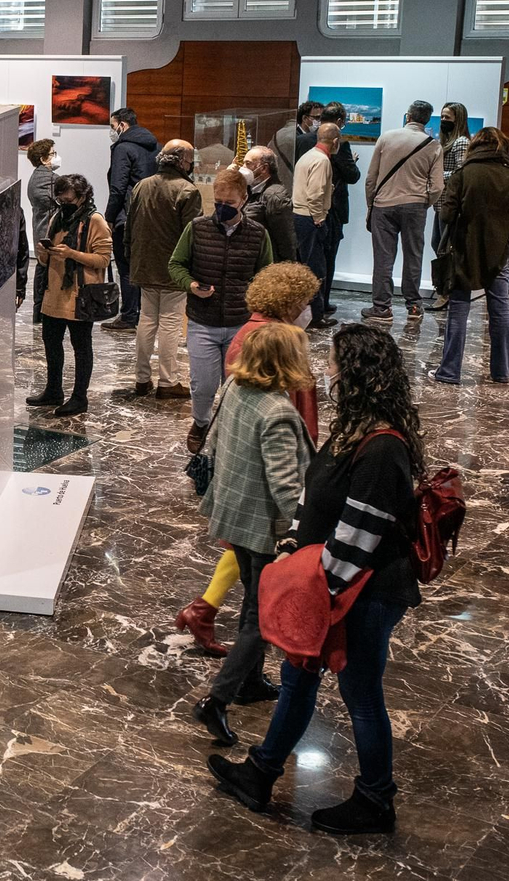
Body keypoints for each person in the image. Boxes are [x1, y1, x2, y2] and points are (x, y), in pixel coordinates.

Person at [209, 325, 426, 836]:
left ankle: (376, 801)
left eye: (330, 361)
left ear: (353, 372)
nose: (324, 370)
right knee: (297, 678)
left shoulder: (381, 446)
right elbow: (315, 493)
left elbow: (359, 537)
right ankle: (261, 772)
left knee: (361, 695)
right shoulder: (354, 427)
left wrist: (312, 588)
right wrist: (292, 550)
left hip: (362, 595)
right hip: (330, 585)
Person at [175, 262, 323, 657]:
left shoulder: (249, 332)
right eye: (306, 300)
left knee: (242, 551)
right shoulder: (278, 339)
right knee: (259, 580)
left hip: (246, 469)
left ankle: (203, 611)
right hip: (264, 473)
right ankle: (236, 671)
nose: (311, 306)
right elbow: (288, 413)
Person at [190, 322, 314, 748]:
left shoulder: (233, 389)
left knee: (250, 605)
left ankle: (249, 682)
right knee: (260, 620)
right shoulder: (277, 411)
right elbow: (285, 486)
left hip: (234, 515)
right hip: (264, 529)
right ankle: (217, 699)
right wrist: (295, 533)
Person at [169, 167, 274, 452]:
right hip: (203, 321)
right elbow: (176, 264)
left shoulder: (257, 234)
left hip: (241, 322)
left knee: (236, 385)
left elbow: (266, 275)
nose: (221, 208)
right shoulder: (197, 228)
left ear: (243, 200)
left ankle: (230, 429)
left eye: (228, 203)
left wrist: (253, 298)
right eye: (217, 202)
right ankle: (201, 422)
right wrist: (191, 285)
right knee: (202, 384)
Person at [433, 129, 509, 385]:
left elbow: (446, 215)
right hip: (499, 252)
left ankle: (449, 371)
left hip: (463, 252)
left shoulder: (463, 174)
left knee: (458, 309)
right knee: (501, 311)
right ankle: (502, 371)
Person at [120, 140, 202, 399]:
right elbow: (193, 236)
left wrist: (130, 258)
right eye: (190, 160)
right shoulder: (188, 190)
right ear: (181, 162)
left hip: (143, 264)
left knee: (146, 321)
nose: (191, 165)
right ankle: (168, 382)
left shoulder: (142, 186)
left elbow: (129, 227)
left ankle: (142, 379)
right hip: (172, 269)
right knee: (169, 323)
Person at [27, 174, 111, 417]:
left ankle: (79, 397)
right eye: (60, 199)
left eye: (68, 199)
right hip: (54, 294)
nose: (63, 203)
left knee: (81, 347)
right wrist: (45, 252)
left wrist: (72, 254)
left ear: (83, 196)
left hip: (80, 295)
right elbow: (45, 260)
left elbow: (103, 259)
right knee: (51, 343)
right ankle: (53, 390)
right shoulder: (57, 218)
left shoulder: (95, 221)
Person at [362, 101, 443, 321]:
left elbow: (371, 178)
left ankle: (381, 307)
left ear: (408, 116)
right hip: (415, 206)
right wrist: (423, 202)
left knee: (383, 258)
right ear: (426, 120)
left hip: (383, 205)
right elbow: (437, 186)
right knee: (413, 256)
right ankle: (414, 306)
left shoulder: (387, 137)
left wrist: (371, 203)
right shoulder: (433, 145)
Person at [103, 108, 159, 332]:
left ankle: (128, 317)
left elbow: (118, 187)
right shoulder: (156, 146)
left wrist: (108, 217)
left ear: (122, 125)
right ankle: (144, 314)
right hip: (151, 215)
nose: (112, 131)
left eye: (112, 126)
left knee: (126, 268)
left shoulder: (123, 148)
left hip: (126, 216)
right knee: (143, 267)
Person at [308, 103, 363, 317]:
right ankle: (322, 303)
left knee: (311, 257)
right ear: (340, 121)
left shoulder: (305, 140)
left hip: (307, 208)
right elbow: (352, 176)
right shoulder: (341, 145)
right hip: (332, 209)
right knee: (328, 258)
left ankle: (309, 303)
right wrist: (353, 162)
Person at [292, 123, 341, 329]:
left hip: (299, 216)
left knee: (307, 267)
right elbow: (315, 194)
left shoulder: (308, 155)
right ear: (336, 141)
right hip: (310, 218)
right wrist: (319, 218)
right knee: (316, 269)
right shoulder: (322, 161)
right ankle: (315, 316)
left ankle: (307, 313)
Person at [426, 103, 474, 308]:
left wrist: (436, 176)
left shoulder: (461, 142)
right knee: (438, 245)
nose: (443, 121)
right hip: (441, 203)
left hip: (451, 203)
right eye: (442, 117)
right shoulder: (445, 141)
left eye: (448, 117)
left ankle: (447, 291)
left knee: (445, 248)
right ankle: (443, 288)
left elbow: (462, 172)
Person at [24, 138, 60, 324]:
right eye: (53, 154)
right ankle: (43, 311)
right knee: (45, 270)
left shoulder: (37, 176)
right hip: (48, 231)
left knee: (42, 268)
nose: (56, 157)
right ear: (44, 159)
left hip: (40, 228)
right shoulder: (50, 180)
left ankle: (40, 311)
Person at [240, 147, 295, 268]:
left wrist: (286, 268)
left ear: (264, 168)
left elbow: (285, 239)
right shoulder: (247, 190)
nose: (243, 167)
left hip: (265, 263)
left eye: (248, 163)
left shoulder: (276, 196)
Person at [271, 100, 323, 193]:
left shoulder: (290, 133)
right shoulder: (297, 138)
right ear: (305, 118)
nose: (319, 122)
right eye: (317, 117)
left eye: (321, 118)